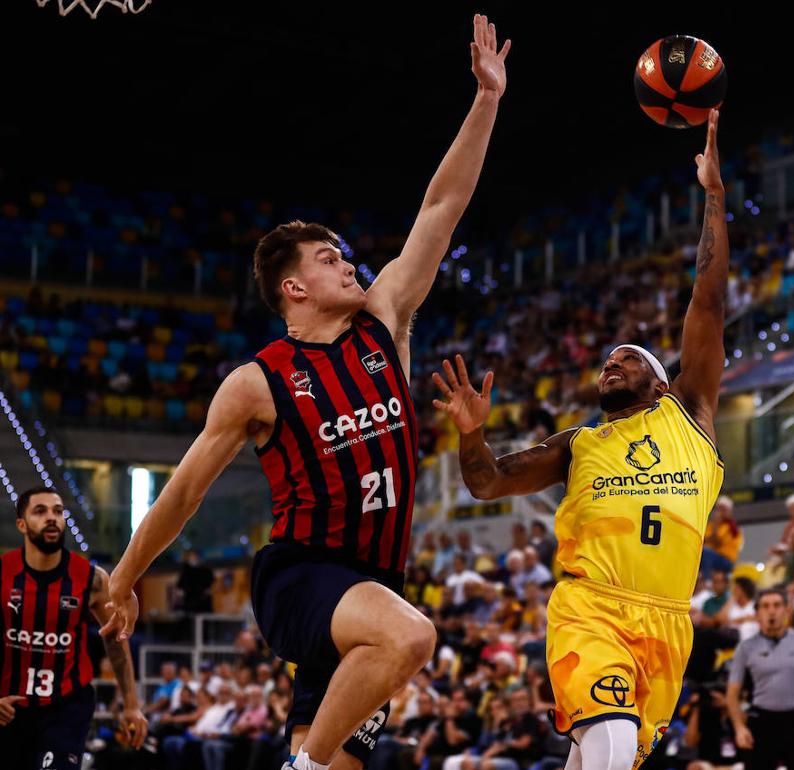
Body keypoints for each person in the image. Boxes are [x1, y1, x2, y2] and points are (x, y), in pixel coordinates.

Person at [101, 17, 513, 770]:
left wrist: (486, 101)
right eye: (329, 258)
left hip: (372, 586)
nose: (348, 263)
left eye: (343, 254)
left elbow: (440, 208)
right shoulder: (255, 382)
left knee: (350, 737)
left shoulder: (382, 322)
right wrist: (126, 578)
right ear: (294, 288)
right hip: (302, 579)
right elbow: (186, 490)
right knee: (413, 636)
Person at [436, 110, 728, 770]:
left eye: (628, 359)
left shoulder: (689, 415)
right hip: (590, 608)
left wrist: (713, 195)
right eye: (606, 361)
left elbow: (708, 302)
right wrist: (472, 433)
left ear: (662, 382)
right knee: (612, 741)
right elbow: (486, 482)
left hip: (668, 619)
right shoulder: (578, 444)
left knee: (607, 756)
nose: (611, 364)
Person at [1, 488, 148, 770]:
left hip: (66, 706)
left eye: (58, 511)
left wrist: (131, 704)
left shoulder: (93, 579)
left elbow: (115, 638)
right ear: (21, 524)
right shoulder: (4, 573)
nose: (52, 518)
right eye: (40, 511)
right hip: (10, 707)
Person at [727, 589, 794, 770]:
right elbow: (732, 693)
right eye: (765, 606)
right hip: (761, 721)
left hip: (793, 719)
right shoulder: (746, 648)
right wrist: (739, 728)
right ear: (757, 613)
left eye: (777, 605)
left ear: (786, 610)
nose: (772, 611)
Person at [701, 496, 742, 577]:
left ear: (729, 512)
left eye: (723, 510)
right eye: (718, 509)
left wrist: (715, 526)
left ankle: (707, 580)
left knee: (706, 552)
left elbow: (717, 543)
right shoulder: (710, 525)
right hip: (712, 556)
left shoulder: (731, 527)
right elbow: (704, 540)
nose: (719, 512)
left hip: (727, 560)